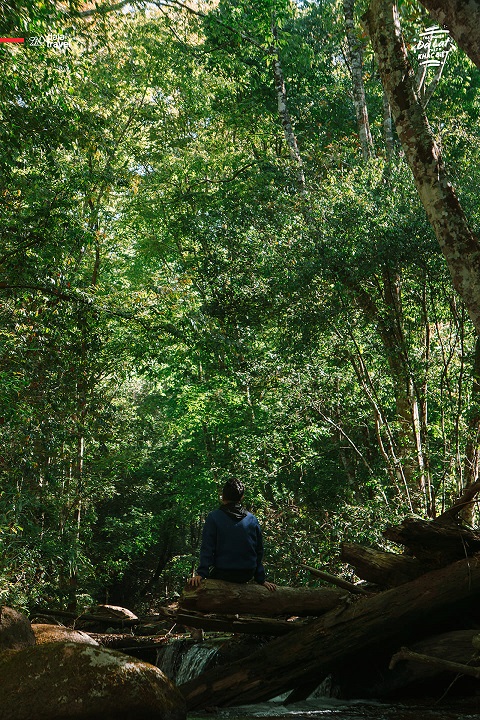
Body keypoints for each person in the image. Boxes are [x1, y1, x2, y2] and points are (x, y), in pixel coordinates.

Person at [188, 478, 277, 591]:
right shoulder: (252, 519)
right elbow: (258, 550)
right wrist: (261, 579)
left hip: (224, 573)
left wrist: (202, 573)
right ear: (241, 497)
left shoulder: (214, 517)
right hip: (247, 573)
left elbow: (207, 548)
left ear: (223, 496)